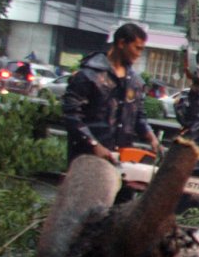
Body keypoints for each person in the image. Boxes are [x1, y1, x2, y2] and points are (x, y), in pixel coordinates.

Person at [61, 22, 160, 165]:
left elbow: (139, 116)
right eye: (136, 48)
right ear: (121, 43)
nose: (139, 54)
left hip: (121, 159)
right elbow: (71, 116)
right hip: (86, 158)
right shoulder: (88, 75)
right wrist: (93, 144)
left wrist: (151, 137)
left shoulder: (135, 82)